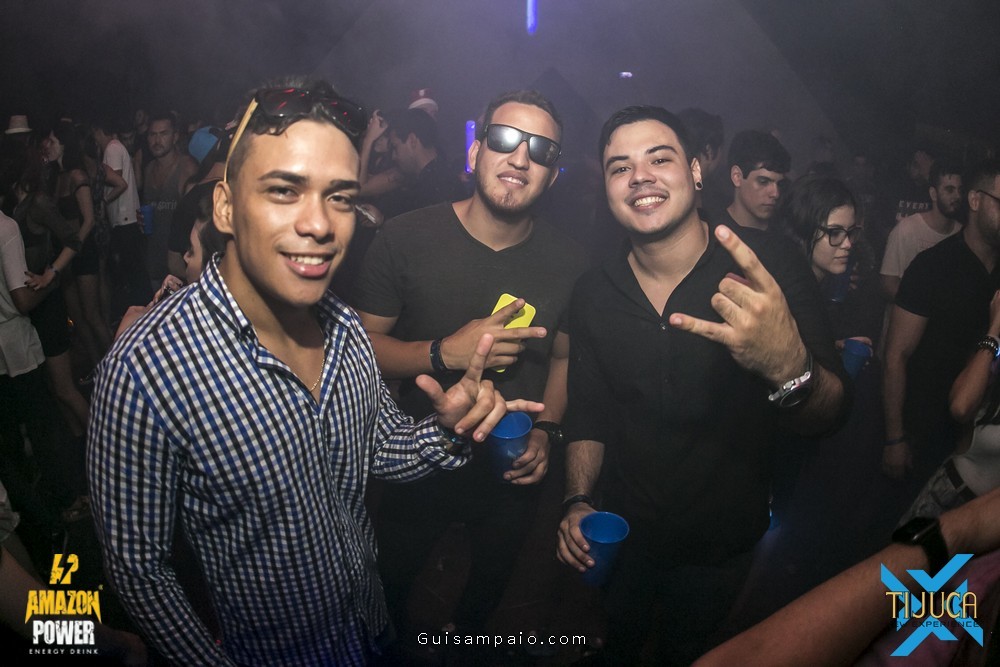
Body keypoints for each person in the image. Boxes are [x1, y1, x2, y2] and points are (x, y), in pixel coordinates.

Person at [88, 78, 542, 666]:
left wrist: (447, 429)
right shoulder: (145, 370)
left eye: (341, 197)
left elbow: (381, 449)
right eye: (284, 190)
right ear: (225, 207)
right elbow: (139, 571)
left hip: (369, 626)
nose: (321, 225)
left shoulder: (345, 326)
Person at [555, 106, 846, 664]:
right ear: (607, 188)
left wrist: (791, 367)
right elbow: (590, 409)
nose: (639, 176)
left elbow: (832, 415)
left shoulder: (766, 265)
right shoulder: (593, 292)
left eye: (659, 159)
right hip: (626, 538)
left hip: (723, 548)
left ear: (695, 171)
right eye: (620, 167)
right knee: (618, 643)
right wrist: (577, 500)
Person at [353, 89, 585, 642]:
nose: (520, 157)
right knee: (388, 588)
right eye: (504, 139)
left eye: (541, 150)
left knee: (488, 594)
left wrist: (548, 431)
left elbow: (564, 355)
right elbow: (358, 346)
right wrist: (442, 353)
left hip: (511, 469)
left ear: (553, 176)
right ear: (475, 151)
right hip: (415, 456)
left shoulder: (573, 264)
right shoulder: (405, 236)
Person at [882, 159, 1000, 488]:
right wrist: (894, 438)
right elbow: (896, 356)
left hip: (980, 443)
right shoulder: (932, 266)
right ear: (975, 200)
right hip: (925, 430)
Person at [44, 121, 111, 378]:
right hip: (65, 256)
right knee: (77, 317)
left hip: (83, 253)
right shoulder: (56, 177)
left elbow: (89, 220)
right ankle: (97, 369)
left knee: (92, 315)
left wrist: (74, 247)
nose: (46, 145)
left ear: (64, 144)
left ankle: (117, 365)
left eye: (52, 141)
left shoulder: (77, 176)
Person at [93, 117, 152, 319]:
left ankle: (143, 317)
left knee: (134, 275)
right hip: (125, 219)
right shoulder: (115, 147)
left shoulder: (112, 148)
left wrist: (103, 200)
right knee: (134, 273)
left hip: (125, 219)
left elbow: (119, 182)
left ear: (98, 131)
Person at [880, 160, 963, 301]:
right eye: (949, 190)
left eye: (960, 190)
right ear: (933, 194)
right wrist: (920, 308)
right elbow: (888, 283)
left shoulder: (962, 234)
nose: (957, 196)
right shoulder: (907, 229)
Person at [142, 113, 197, 283]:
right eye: (152, 134)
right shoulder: (149, 169)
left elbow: (197, 218)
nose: (157, 140)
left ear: (175, 137)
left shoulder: (187, 168)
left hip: (180, 267)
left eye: (163, 134)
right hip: (154, 260)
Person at [720, 129, 791, 231]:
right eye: (763, 182)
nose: (775, 194)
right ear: (737, 176)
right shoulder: (708, 232)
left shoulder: (786, 234)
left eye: (780, 184)